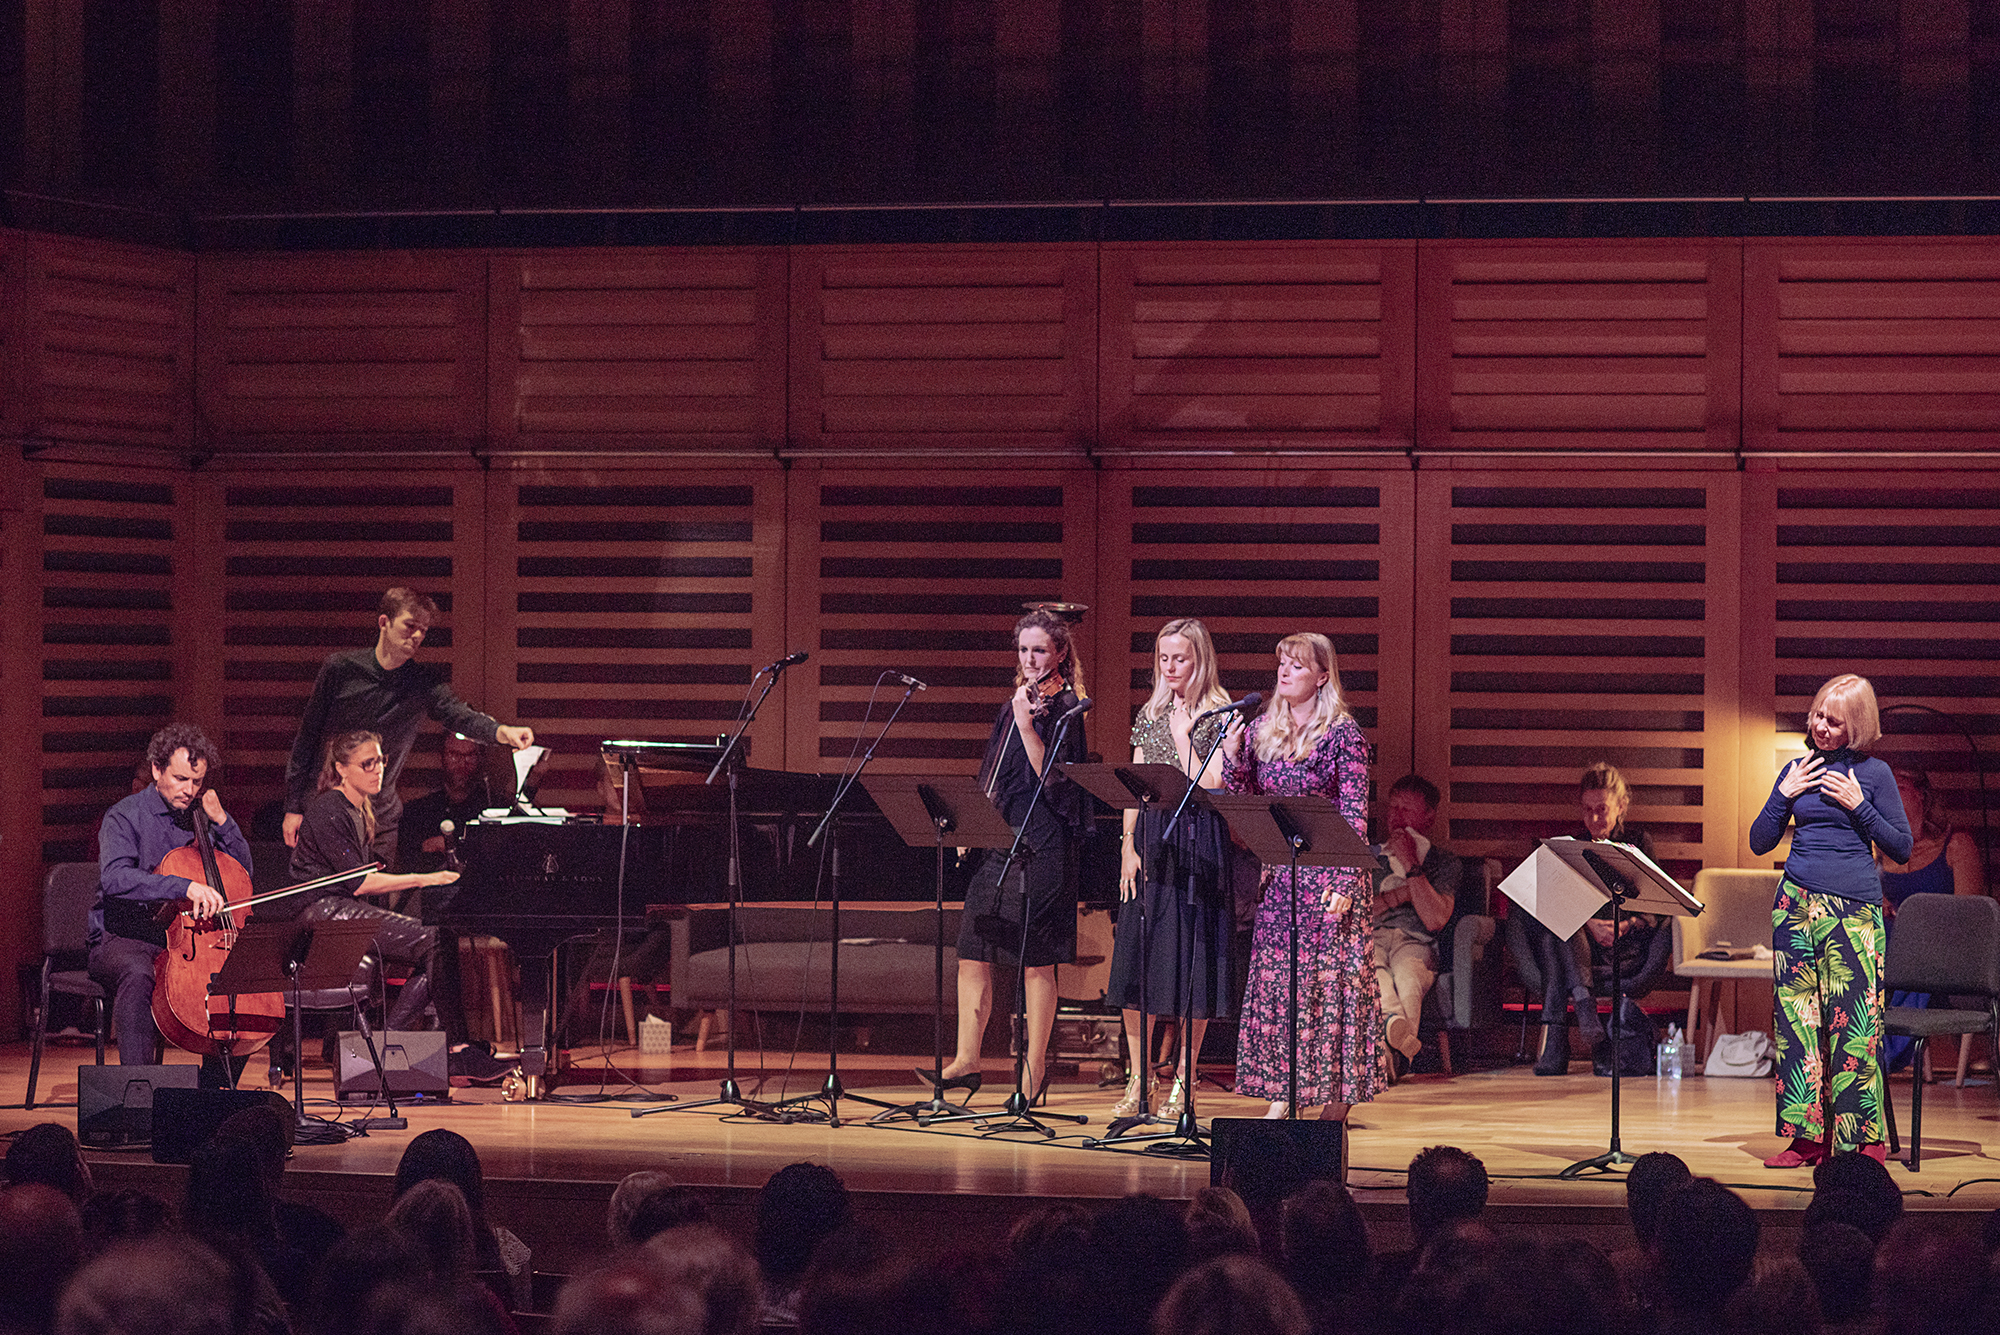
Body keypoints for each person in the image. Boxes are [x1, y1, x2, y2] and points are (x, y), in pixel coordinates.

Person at [925, 609, 1090, 1102]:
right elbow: (993, 770)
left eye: (1039, 649)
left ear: (1060, 652)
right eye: (1023, 650)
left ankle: (1034, 1071)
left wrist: (1025, 724)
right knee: (972, 950)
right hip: (1001, 837)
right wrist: (970, 824)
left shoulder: (1068, 706)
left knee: (1036, 960)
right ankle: (967, 1059)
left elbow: (1053, 779)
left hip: (1044, 844)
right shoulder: (1016, 702)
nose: (1030, 658)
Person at [1750, 672, 1911, 1167]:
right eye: (1818, 714)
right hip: (1795, 905)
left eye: (1834, 722)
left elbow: (1900, 847)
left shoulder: (1875, 774)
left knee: (1854, 1026)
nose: (1821, 727)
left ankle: (1862, 1141)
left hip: (1853, 907)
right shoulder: (1798, 768)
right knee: (1797, 1024)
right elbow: (1760, 840)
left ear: (1857, 727)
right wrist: (1783, 794)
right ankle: (1806, 1138)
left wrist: (1859, 806)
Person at [287, 730, 510, 1083]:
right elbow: (359, 883)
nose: (377, 770)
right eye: (367, 764)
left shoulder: (358, 807)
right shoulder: (330, 807)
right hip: (321, 911)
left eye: (380, 762)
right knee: (433, 939)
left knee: (439, 939)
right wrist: (426, 879)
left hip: (336, 907)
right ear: (342, 769)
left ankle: (434, 1049)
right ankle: (413, 1050)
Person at [1221, 632, 1376, 1121]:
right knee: (1283, 988)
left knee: (1330, 992)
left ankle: (1334, 1107)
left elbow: (1354, 810)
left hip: (1330, 879)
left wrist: (1345, 882)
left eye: (1297, 666)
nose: (1284, 673)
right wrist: (1232, 752)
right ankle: (1283, 1096)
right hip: (1283, 882)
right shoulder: (1264, 728)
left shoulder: (1342, 733)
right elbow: (1242, 795)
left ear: (1322, 677)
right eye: (1281, 664)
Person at [282, 587, 534, 864]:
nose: (417, 636)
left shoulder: (421, 681)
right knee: (329, 899)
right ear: (384, 622)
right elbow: (307, 737)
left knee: (375, 900)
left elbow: (458, 715)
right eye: (410, 626)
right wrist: (293, 807)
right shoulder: (340, 669)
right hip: (328, 807)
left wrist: (501, 732)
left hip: (380, 814)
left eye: (423, 630)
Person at [1106, 618, 1237, 1122]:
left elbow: (1213, 786)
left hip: (1198, 837)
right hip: (1152, 839)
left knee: (1191, 966)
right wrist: (1126, 844)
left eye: (1179, 658)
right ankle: (1139, 1082)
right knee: (1136, 962)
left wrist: (1185, 737)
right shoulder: (1151, 711)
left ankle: (1184, 1080)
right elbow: (1136, 778)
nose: (1170, 667)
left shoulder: (1221, 712)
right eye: (1163, 658)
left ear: (1200, 659)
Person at [89, 723, 254, 1087]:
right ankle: (139, 1091)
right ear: (156, 770)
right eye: (180, 779)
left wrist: (223, 821)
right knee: (139, 975)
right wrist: (185, 886)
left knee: (239, 983)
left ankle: (214, 1094)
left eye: (196, 782)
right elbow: (115, 879)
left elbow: (243, 873)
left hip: (187, 940)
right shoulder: (124, 816)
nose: (189, 790)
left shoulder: (200, 817)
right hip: (125, 937)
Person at [1524, 762, 1662, 1076]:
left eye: (1602, 809)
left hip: (1623, 941)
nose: (1594, 818)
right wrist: (1588, 923)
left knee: (1553, 939)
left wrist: (1623, 926)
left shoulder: (1639, 843)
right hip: (1582, 942)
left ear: (1621, 806)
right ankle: (1591, 1024)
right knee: (1555, 928)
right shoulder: (1571, 846)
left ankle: (1559, 1043)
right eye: (1587, 810)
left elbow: (1655, 908)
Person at [1878, 765, 1987, 1071]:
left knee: (1913, 956)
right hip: (1893, 948)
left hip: (1947, 951)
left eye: (1900, 786)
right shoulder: (1878, 851)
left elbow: (1969, 915)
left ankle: (1884, 1056)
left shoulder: (1956, 845)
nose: (1890, 793)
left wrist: (1918, 919)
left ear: (1922, 796)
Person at [1371, 774, 1464, 1067]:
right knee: (1376, 978)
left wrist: (1410, 862)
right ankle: (1395, 1055)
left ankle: (1386, 1062)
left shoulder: (1444, 863)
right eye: (1393, 808)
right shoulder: (1369, 856)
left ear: (1428, 817)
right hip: (1370, 937)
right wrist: (1400, 896)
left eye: (1406, 810)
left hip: (1415, 941)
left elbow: (1435, 918)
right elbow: (1359, 910)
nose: (1396, 818)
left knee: (1408, 979)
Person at [397, 732, 493, 875]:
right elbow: (406, 862)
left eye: (470, 756)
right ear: (442, 756)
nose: (462, 763)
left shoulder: (492, 809)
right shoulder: (417, 812)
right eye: (454, 755)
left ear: (480, 759)